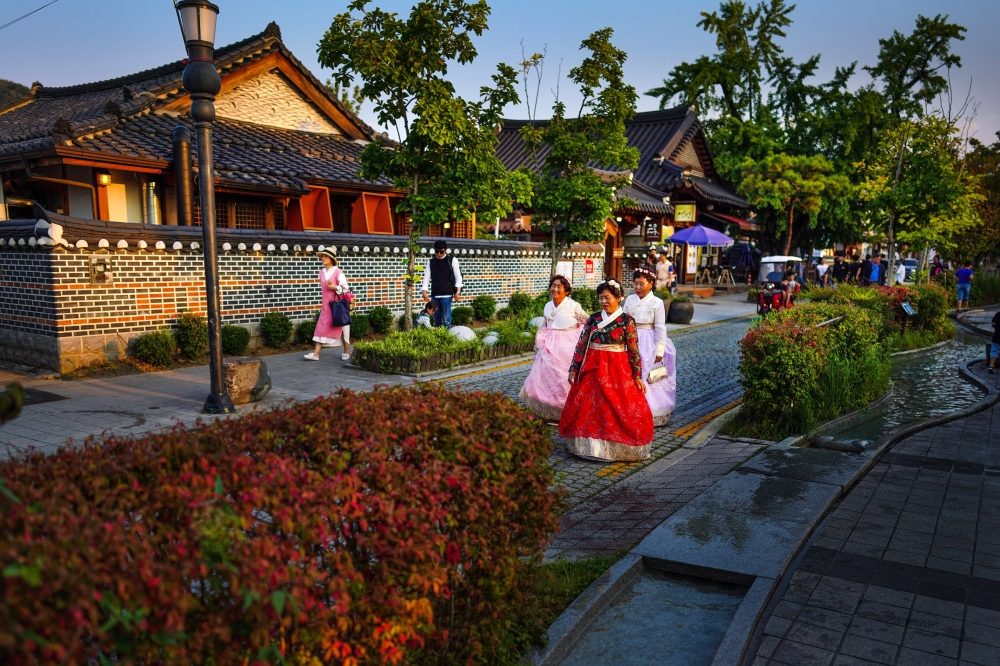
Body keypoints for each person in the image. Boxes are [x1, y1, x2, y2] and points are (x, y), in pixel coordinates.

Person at [559, 279, 654, 461]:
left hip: (617, 369)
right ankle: (588, 447)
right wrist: (575, 368)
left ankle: (615, 448)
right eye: (601, 298)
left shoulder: (627, 321)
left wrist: (637, 375)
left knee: (616, 407)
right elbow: (582, 344)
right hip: (593, 366)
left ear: (619, 298)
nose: (603, 301)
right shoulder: (594, 319)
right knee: (590, 406)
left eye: (607, 297)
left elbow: (634, 350)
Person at [519, 275, 590, 421]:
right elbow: (545, 324)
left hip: (568, 345)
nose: (555, 289)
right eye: (553, 286)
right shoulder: (547, 305)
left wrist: (581, 336)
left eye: (559, 287)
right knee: (546, 375)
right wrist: (538, 342)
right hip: (549, 345)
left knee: (564, 377)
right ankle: (548, 410)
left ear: (567, 290)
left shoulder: (574, 306)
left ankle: (569, 409)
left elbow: (587, 321)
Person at [623, 267, 676, 426]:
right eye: (635, 284)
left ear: (651, 284)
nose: (638, 287)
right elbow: (624, 320)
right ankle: (630, 409)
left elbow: (660, 327)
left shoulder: (656, 303)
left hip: (648, 340)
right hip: (631, 339)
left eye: (641, 284)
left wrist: (659, 350)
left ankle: (650, 410)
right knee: (630, 373)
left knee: (647, 374)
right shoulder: (630, 300)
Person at [304, 249, 351, 361]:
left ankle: (346, 351)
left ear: (331, 259)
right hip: (326, 305)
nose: (323, 258)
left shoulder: (338, 272)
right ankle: (316, 354)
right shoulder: (321, 272)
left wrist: (335, 287)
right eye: (322, 256)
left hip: (338, 305)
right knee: (321, 326)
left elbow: (346, 289)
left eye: (325, 256)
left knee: (343, 327)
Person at [421, 239, 462, 328]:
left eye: (441, 252)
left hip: (447, 294)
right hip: (435, 294)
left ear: (445, 250)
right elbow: (426, 277)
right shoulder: (431, 262)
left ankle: (447, 338)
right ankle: (440, 338)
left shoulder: (452, 260)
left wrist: (458, 292)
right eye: (436, 251)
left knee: (446, 319)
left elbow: (458, 276)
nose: (439, 254)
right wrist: (424, 291)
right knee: (436, 319)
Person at [990, 310, 1000, 374]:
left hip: (996, 336)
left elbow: (993, 323)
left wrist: (996, 328)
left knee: (994, 351)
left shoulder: (998, 314)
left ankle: (991, 365)